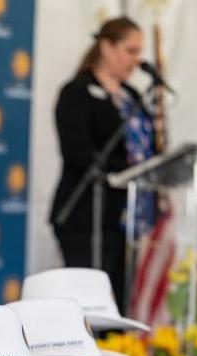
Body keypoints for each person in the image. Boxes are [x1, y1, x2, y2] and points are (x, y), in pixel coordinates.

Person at [50, 16, 156, 312]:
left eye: (139, 52)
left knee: (119, 304)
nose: (136, 60)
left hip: (127, 219)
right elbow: (77, 151)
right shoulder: (77, 92)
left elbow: (150, 150)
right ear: (106, 47)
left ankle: (117, 355)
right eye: (130, 50)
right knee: (88, 305)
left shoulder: (132, 96)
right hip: (87, 215)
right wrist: (124, 170)